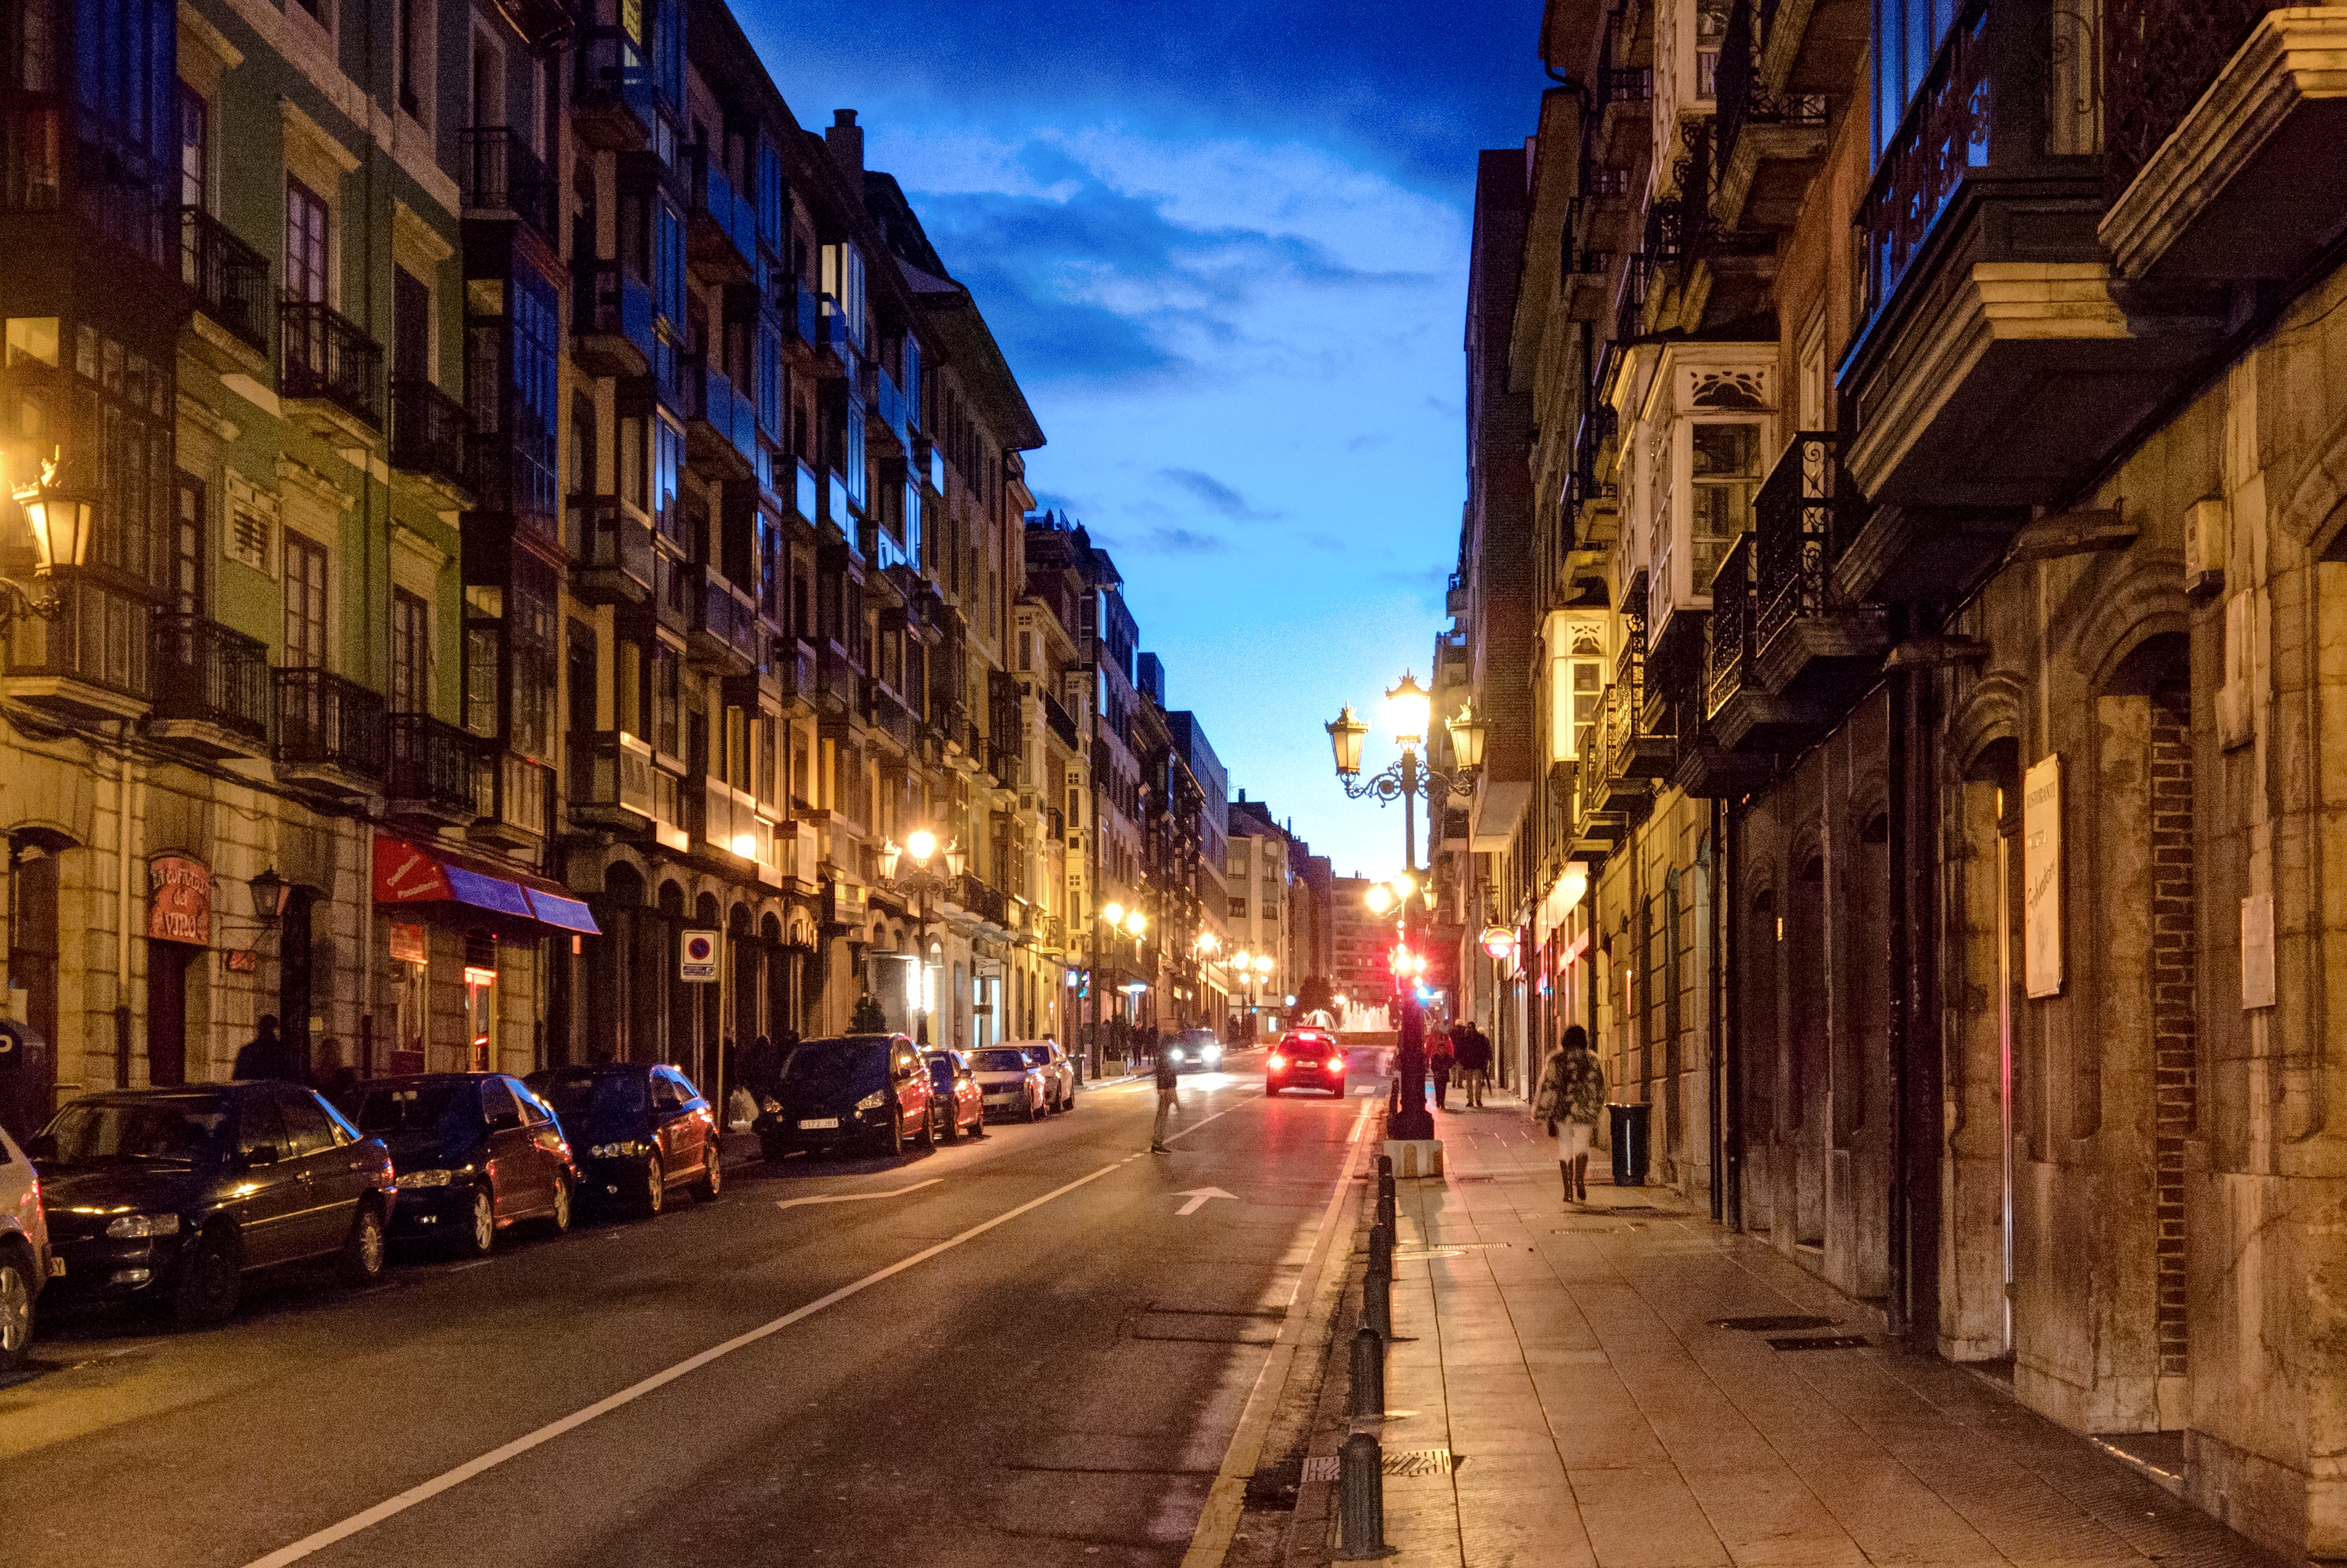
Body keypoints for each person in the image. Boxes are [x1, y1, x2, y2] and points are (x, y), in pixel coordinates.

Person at [1534, 1025, 1606, 1203]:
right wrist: (1596, 1108)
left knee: (1565, 1146)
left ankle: (1568, 1192)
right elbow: (1600, 1087)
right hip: (1585, 1111)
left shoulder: (1557, 1060)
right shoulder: (1591, 1060)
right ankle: (1579, 1180)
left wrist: (1541, 1112)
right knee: (1582, 1146)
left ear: (1565, 1040)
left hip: (1563, 1110)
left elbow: (1548, 1086)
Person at [232, 1015, 290, 1081]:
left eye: (270, 1028)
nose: (268, 1032)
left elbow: (238, 1078)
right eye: (266, 1029)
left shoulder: (248, 1050)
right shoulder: (282, 1051)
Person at [1150, 1044, 1180, 1153]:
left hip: (1170, 1087)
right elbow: (1163, 1070)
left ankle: (1157, 1142)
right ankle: (1157, 1144)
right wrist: (1161, 1087)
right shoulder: (1167, 1049)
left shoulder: (1171, 1046)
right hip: (1167, 1088)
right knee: (1162, 1115)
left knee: (1164, 1114)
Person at [1456, 1023, 1492, 1107]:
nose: (1469, 1030)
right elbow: (1461, 1051)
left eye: (1470, 1028)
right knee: (1469, 1083)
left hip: (1477, 1064)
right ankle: (1471, 1100)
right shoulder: (1465, 1039)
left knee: (1478, 1082)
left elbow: (1485, 1050)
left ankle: (1478, 1099)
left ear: (1474, 1028)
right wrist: (1463, 1062)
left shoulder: (1480, 1038)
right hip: (1469, 1064)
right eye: (1468, 1028)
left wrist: (1484, 1061)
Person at [1428, 1030, 1455, 1112]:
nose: (1442, 1050)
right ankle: (1438, 1101)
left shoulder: (1447, 1056)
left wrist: (1447, 1066)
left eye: (1443, 1048)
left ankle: (1442, 1102)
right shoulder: (1435, 1057)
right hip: (1438, 1075)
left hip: (1444, 1075)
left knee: (1443, 1089)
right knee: (1437, 1088)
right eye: (1440, 1048)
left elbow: (1450, 1065)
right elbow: (1433, 1066)